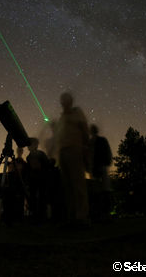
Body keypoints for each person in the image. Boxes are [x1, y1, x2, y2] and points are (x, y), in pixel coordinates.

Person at [56, 92, 90, 225]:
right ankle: (71, 217)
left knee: (78, 184)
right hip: (63, 152)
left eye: (65, 100)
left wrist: (85, 148)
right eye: (62, 100)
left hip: (75, 150)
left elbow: (84, 130)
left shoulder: (77, 113)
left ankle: (82, 217)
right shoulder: (62, 117)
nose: (63, 103)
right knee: (67, 185)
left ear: (70, 101)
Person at [89, 124, 113, 221]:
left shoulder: (98, 141)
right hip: (97, 168)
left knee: (103, 191)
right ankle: (101, 214)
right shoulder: (92, 142)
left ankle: (105, 214)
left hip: (100, 167)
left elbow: (107, 152)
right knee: (100, 191)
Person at [26, 137, 49, 222]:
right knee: (34, 198)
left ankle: (41, 216)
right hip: (34, 180)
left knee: (41, 198)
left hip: (40, 179)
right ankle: (36, 215)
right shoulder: (29, 157)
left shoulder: (40, 155)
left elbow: (46, 165)